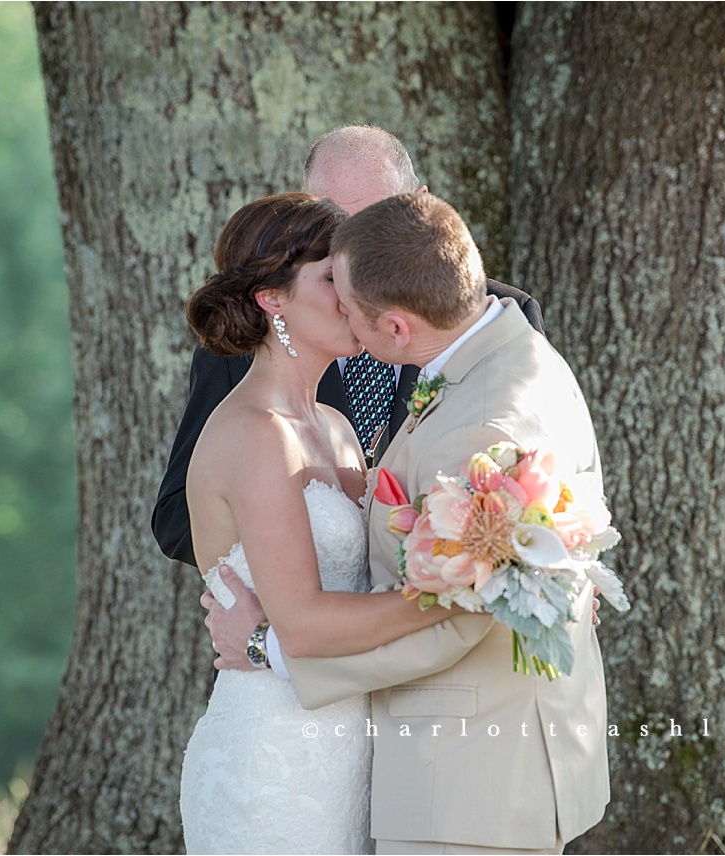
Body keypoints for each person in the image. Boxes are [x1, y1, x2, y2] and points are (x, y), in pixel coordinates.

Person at [206, 193, 611, 854]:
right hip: (400, 757)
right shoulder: (513, 358)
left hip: (468, 776)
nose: (345, 313)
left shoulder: (482, 415)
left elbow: (461, 611)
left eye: (352, 302)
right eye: (329, 283)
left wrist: (266, 650)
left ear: (395, 329)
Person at [176, 192, 460, 854]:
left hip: (350, 747)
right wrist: (450, 598)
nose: (352, 293)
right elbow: (300, 623)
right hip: (273, 763)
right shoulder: (254, 435)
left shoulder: (332, 428)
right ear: (272, 300)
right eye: (332, 278)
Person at [151, 125, 544, 568]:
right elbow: (176, 517)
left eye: (374, 225)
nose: (356, 258)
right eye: (338, 234)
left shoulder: (494, 318)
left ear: (421, 205)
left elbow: (534, 482)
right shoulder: (250, 337)